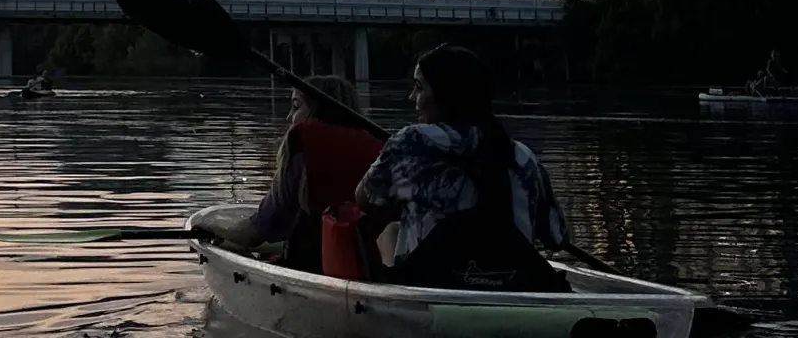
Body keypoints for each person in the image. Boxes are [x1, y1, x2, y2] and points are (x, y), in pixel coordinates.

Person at [354, 44, 568, 292]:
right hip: (514, 286)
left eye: (419, 87)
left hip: (433, 288)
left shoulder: (411, 142)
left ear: (446, 94)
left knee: (391, 231)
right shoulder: (523, 156)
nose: (412, 97)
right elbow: (558, 238)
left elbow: (364, 198)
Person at [190, 76, 383, 274]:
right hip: (366, 266)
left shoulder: (305, 148)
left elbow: (254, 232)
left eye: (296, 106)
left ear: (316, 110)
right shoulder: (378, 149)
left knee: (242, 248)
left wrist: (213, 228)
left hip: (311, 268)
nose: (289, 117)